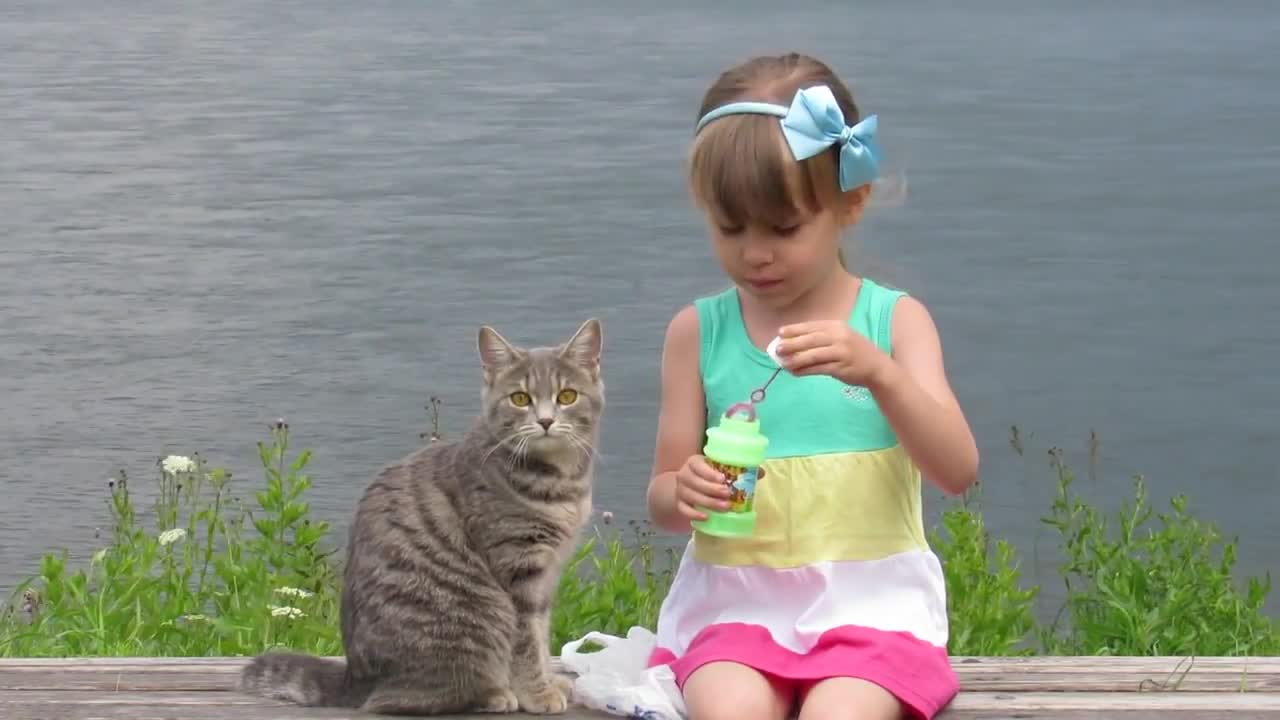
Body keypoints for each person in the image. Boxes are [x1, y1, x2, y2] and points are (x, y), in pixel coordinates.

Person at [644, 52, 980, 720]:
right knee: (730, 709)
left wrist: (881, 375)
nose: (755, 253)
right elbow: (661, 499)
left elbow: (957, 469)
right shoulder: (696, 333)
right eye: (729, 227)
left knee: (840, 712)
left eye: (784, 227)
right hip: (737, 611)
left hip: (872, 612)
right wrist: (684, 489)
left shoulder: (893, 322)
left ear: (850, 202)